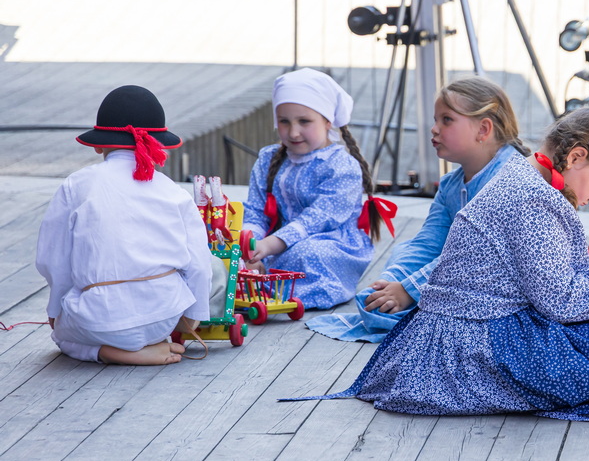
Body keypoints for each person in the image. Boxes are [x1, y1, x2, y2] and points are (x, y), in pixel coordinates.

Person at [286, 104, 589, 421]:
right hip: (477, 346)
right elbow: (563, 301)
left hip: (492, 326)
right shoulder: (530, 201)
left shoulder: (529, 180)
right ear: (576, 156)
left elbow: (559, 287)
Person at [308, 77, 527, 342]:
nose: (434, 129)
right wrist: (392, 282)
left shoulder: (507, 178)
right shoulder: (450, 185)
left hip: (502, 284)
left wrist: (409, 290)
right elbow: (428, 244)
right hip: (454, 274)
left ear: (483, 129)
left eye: (447, 120)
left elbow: (473, 255)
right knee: (396, 263)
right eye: (436, 120)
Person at [35, 85, 219, 365]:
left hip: (100, 318)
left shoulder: (77, 185)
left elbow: (54, 259)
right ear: (157, 146)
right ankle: (149, 344)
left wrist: (55, 309)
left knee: (62, 335)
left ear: (98, 144)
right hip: (164, 316)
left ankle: (117, 352)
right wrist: (192, 318)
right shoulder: (174, 192)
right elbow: (199, 264)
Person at [242, 69, 386, 309]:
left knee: (311, 253)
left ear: (328, 121)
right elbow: (256, 211)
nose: (293, 132)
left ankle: (280, 291)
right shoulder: (268, 158)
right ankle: (257, 278)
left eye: (304, 121)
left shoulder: (341, 166)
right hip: (273, 244)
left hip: (328, 242)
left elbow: (317, 220)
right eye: (284, 121)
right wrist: (249, 248)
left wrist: (268, 247)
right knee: (223, 251)